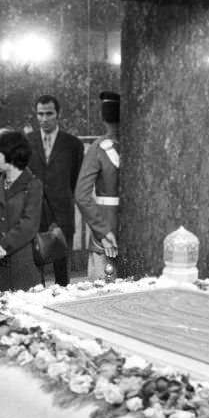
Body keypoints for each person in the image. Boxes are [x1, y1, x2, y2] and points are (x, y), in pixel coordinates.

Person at [26, 95, 84, 286]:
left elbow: (75, 178)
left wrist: (64, 196)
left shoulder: (73, 144)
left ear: (58, 114)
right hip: (35, 212)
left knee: (62, 269)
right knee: (36, 266)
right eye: (40, 114)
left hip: (62, 212)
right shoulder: (27, 141)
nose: (44, 118)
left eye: (49, 113)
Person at [0, 131, 43, 297]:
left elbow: (29, 225)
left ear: (12, 157)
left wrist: (1, 245)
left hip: (22, 266)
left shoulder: (33, 185)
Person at [75, 91, 121, 280]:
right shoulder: (141, 148)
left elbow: (82, 195)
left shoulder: (98, 148)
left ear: (104, 118)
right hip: (137, 231)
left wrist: (101, 230)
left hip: (106, 227)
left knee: (103, 290)